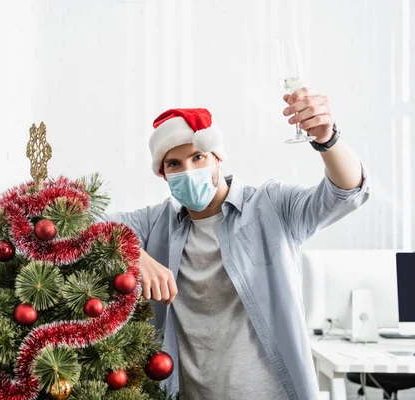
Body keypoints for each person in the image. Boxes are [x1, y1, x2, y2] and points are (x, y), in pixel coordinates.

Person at [102, 88, 371, 399]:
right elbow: (72, 218)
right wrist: (133, 253)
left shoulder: (270, 206)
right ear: (164, 175)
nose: (188, 171)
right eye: (174, 164)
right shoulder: (155, 223)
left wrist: (328, 140)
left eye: (197, 157)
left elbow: (345, 194)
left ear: (217, 158)